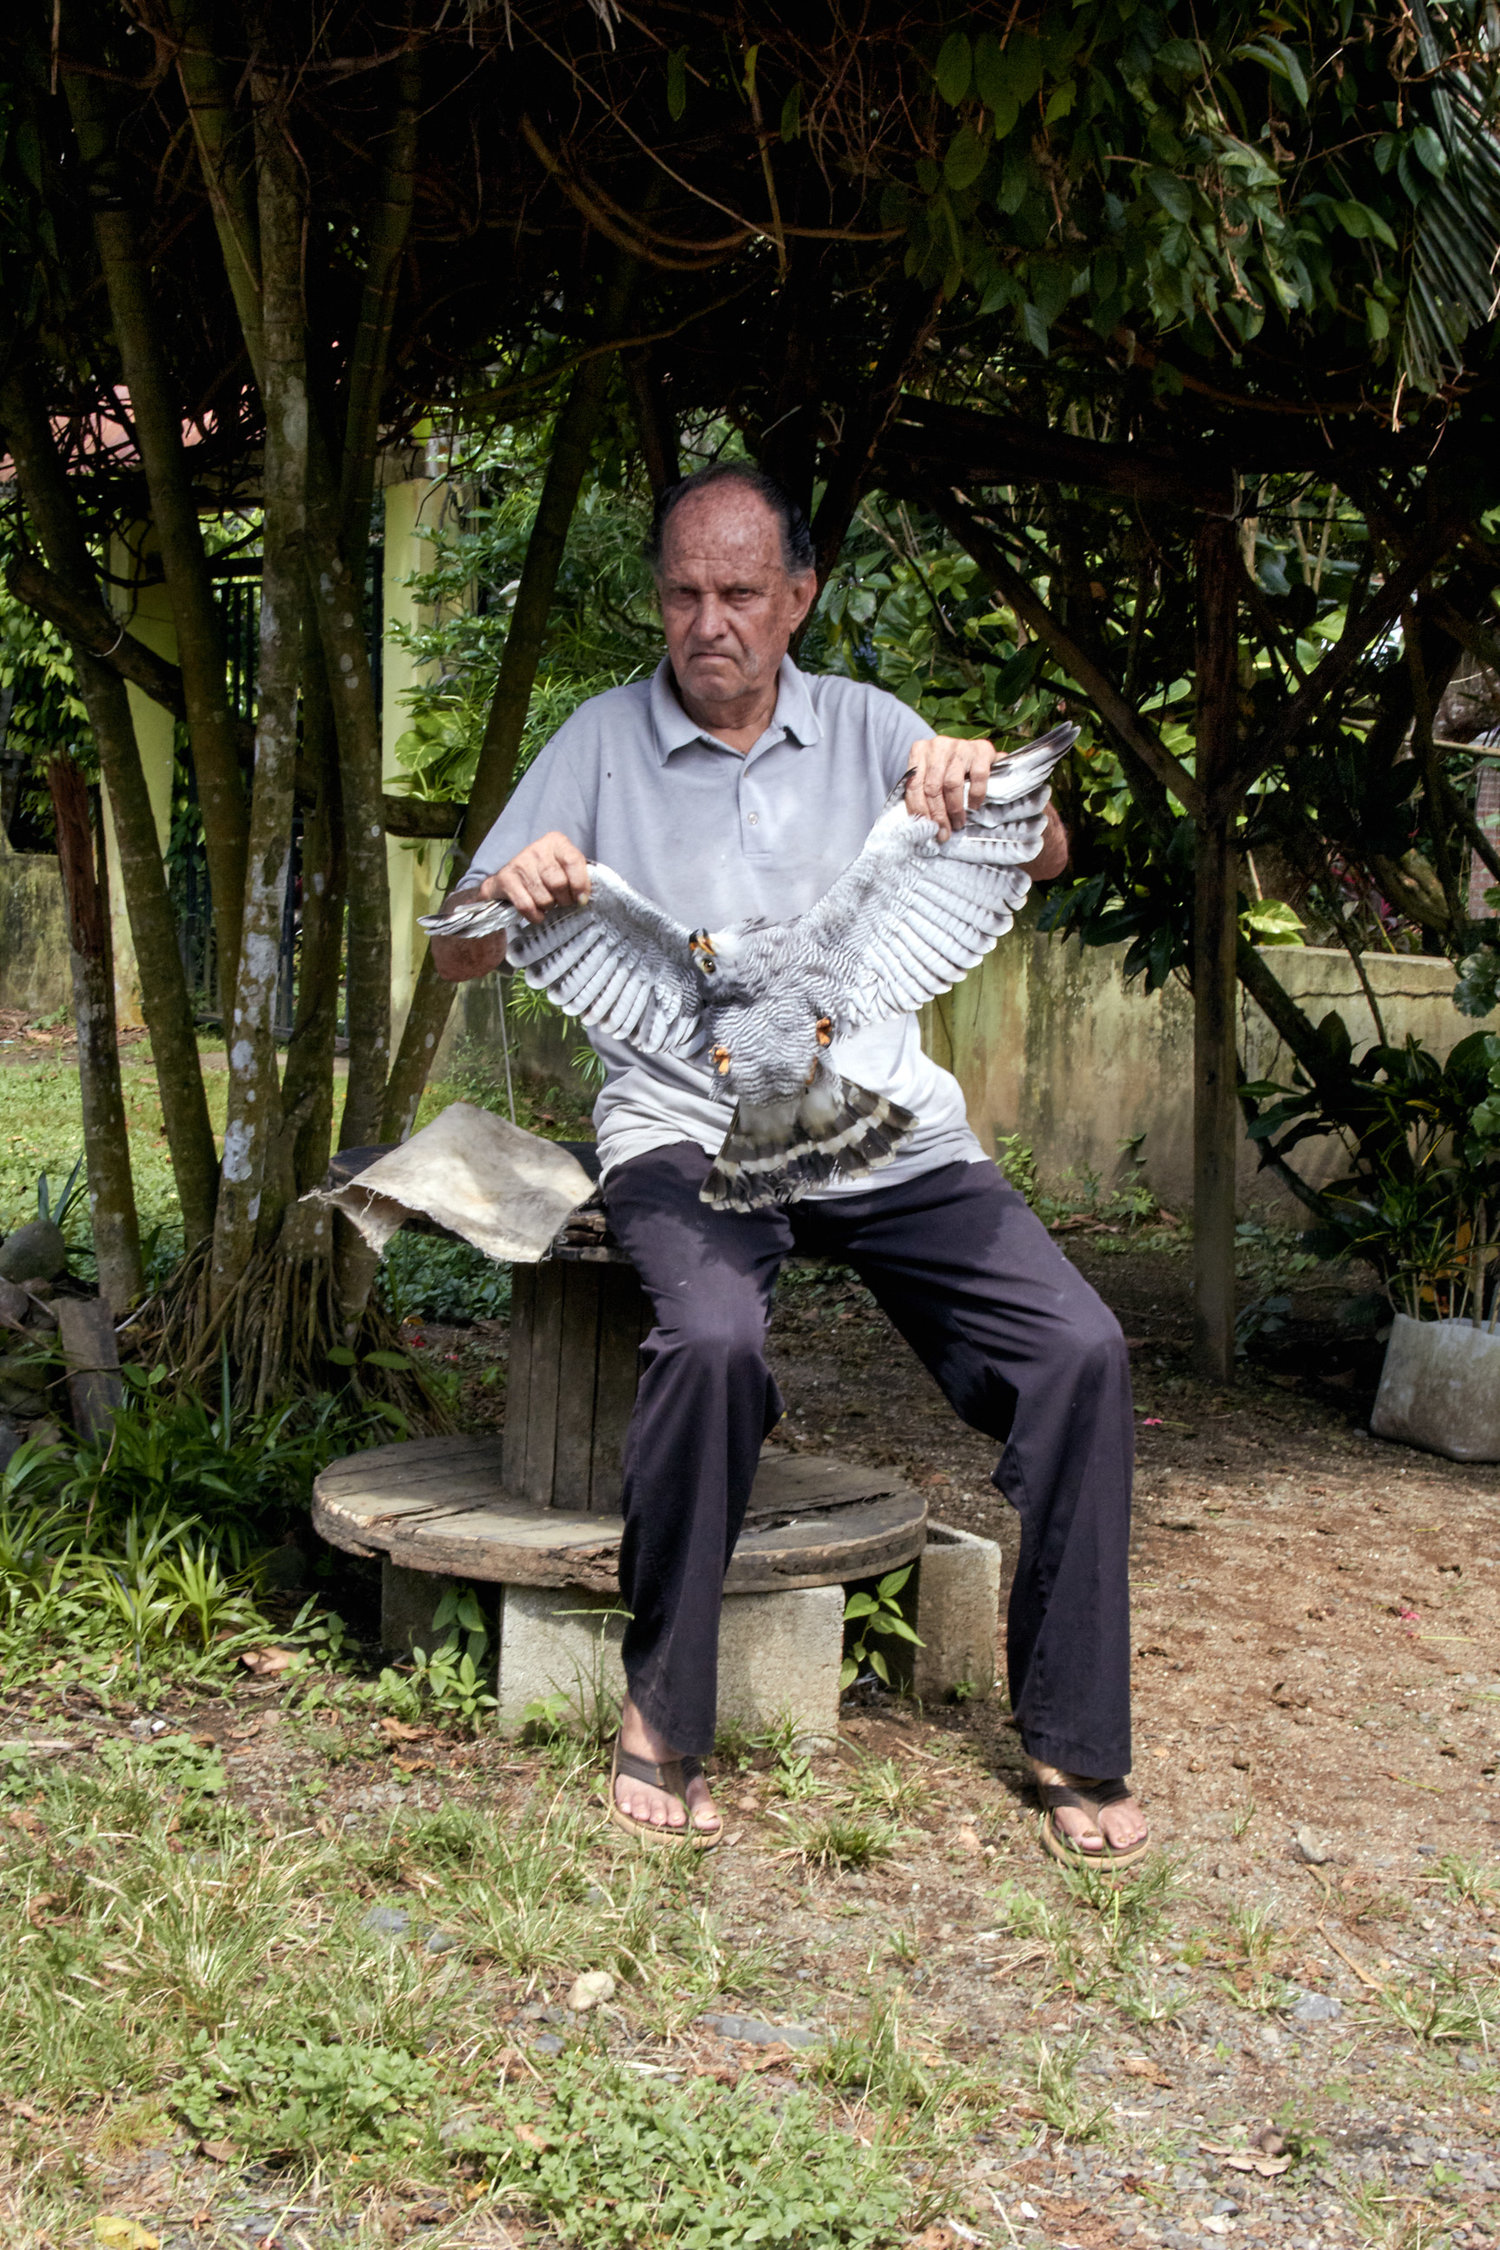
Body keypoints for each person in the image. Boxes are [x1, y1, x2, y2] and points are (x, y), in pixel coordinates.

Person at [429, 461, 1148, 1867]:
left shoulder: (878, 727)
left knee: (1082, 1351)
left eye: (742, 592)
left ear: (799, 597)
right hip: (685, 1130)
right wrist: (503, 893)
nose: (711, 622)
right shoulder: (596, 742)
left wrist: (984, 775)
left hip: (881, 1120)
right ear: (661, 599)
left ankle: (1073, 1732)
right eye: (686, 593)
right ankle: (664, 1712)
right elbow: (457, 951)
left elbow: (1042, 850)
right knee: (708, 1341)